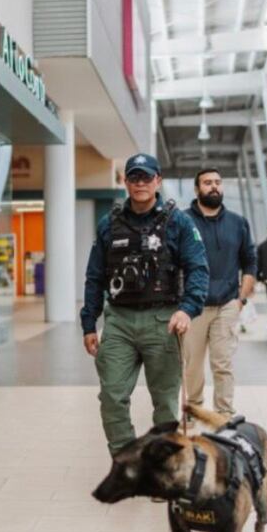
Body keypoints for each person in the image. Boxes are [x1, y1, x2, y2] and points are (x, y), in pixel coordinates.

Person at [81, 153, 209, 455]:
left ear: (158, 181)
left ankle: (163, 465)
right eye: (134, 177)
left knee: (165, 404)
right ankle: (126, 461)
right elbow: (95, 276)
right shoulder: (109, 224)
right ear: (125, 182)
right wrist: (89, 323)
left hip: (163, 321)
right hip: (119, 322)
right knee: (112, 396)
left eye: (147, 177)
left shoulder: (178, 222)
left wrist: (187, 309)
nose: (140, 183)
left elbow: (198, 269)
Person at [183, 168, 256, 415]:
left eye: (217, 182)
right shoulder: (182, 220)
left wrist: (240, 300)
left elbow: (250, 262)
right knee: (192, 366)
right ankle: (193, 411)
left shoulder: (238, 223)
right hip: (193, 307)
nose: (214, 186)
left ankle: (224, 415)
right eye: (207, 183)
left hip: (227, 304)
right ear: (197, 189)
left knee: (223, 364)